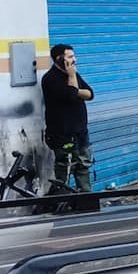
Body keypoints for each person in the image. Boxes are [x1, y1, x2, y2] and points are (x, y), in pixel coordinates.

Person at [41, 43, 95, 192]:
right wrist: (72, 78)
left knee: (83, 167)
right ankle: (60, 200)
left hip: (80, 133)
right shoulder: (50, 79)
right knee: (64, 171)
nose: (74, 60)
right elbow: (71, 96)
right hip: (63, 135)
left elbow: (90, 94)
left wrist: (75, 88)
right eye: (70, 57)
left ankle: (85, 199)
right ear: (60, 59)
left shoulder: (74, 74)